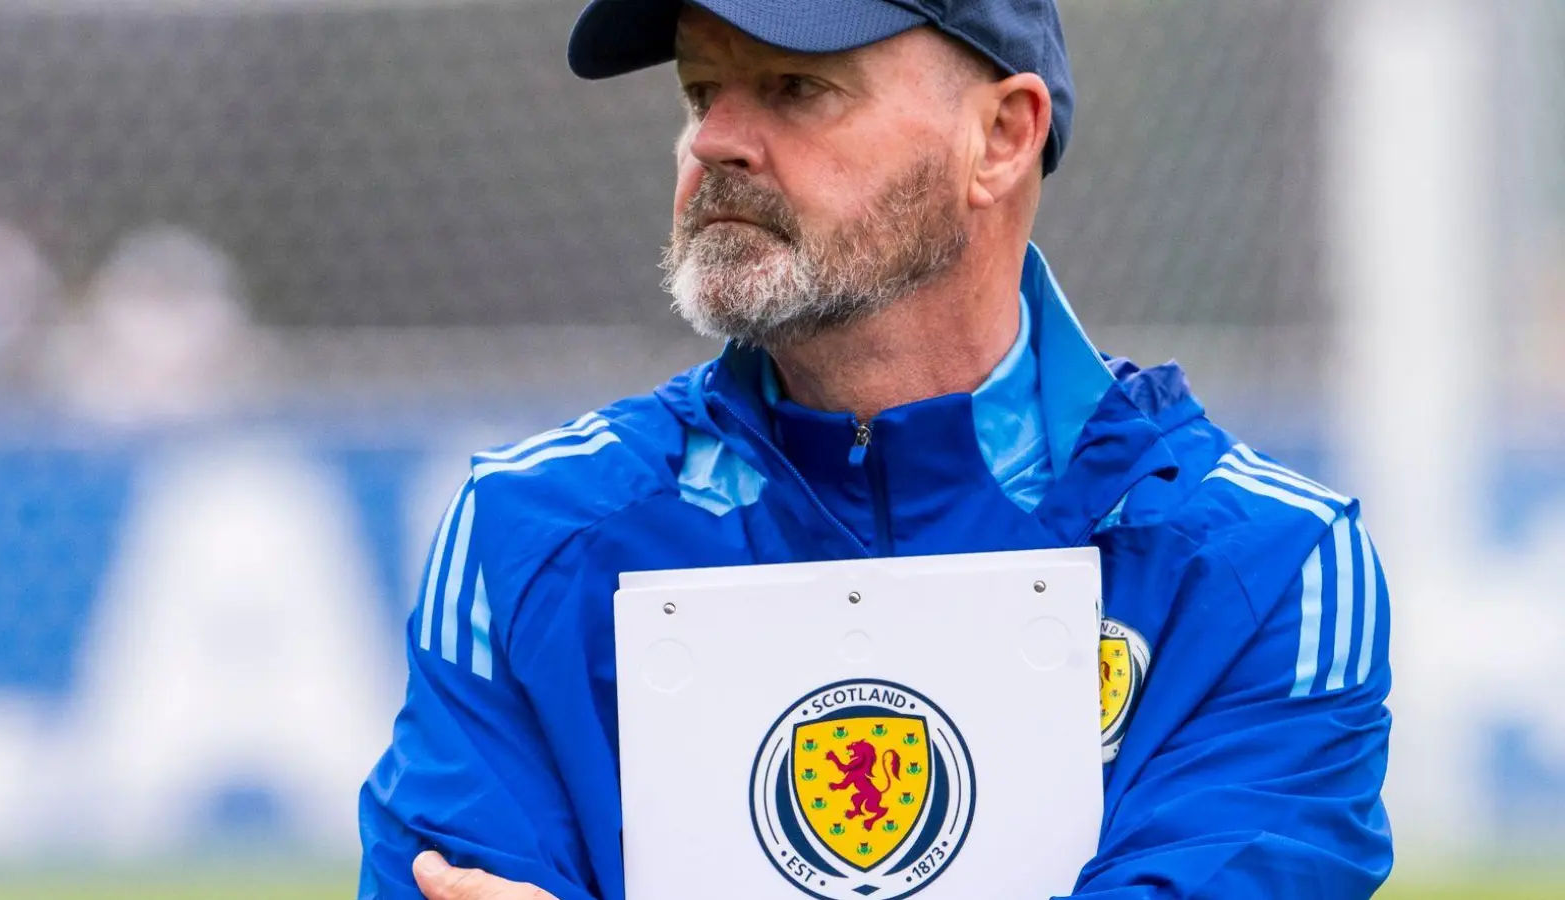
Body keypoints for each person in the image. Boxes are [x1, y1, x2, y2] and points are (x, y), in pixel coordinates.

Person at [359, 1, 1393, 898]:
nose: (715, 140)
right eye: (700, 90)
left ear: (999, 136)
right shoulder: (523, 536)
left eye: (796, 88)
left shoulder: (1265, 570)